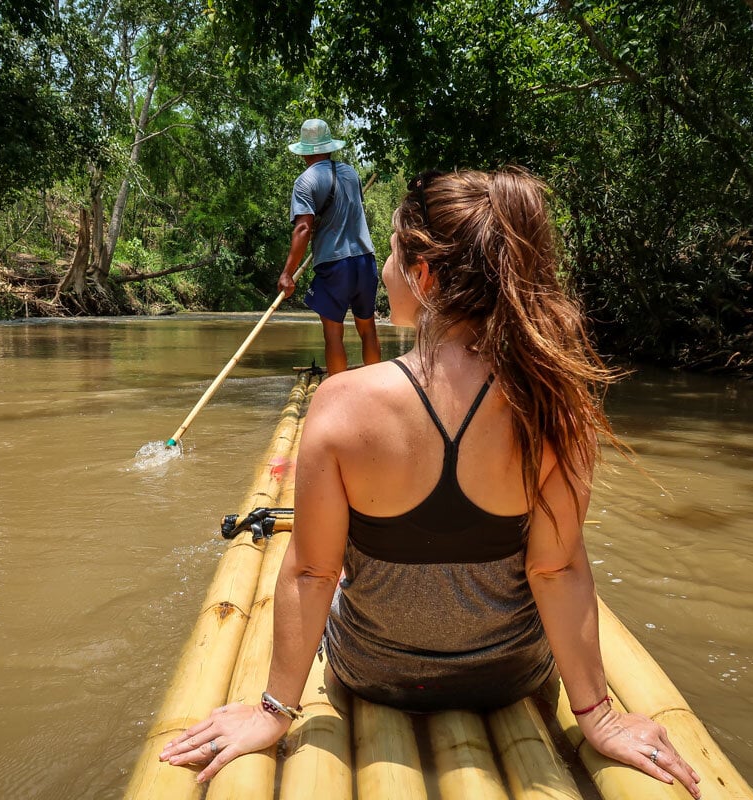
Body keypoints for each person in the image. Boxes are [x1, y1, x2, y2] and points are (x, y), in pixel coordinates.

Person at [160, 167, 702, 798]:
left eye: (392, 253)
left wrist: (271, 712)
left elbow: (312, 573)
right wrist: (599, 718)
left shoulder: (340, 405)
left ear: (423, 277)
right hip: (513, 674)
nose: (383, 270)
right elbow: (556, 571)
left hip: (372, 672)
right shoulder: (556, 398)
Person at [277, 118, 381, 374]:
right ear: (330, 147)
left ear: (304, 152)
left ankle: (338, 397)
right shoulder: (351, 173)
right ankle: (378, 387)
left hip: (335, 264)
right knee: (368, 329)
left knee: (333, 333)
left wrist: (287, 273)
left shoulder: (304, 182)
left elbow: (303, 228)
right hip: (365, 260)